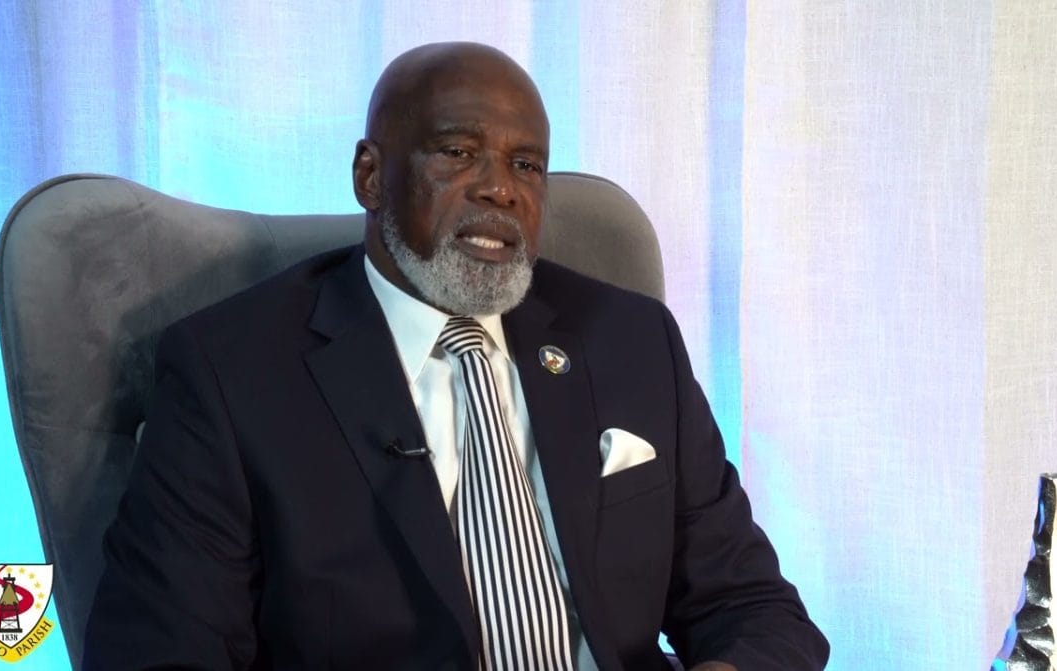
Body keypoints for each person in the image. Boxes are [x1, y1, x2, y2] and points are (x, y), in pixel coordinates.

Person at [84, 42, 828, 670]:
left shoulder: (631, 340)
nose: (500, 189)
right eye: (457, 153)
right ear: (370, 176)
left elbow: (753, 607)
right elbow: (159, 652)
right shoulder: (230, 372)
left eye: (526, 165)